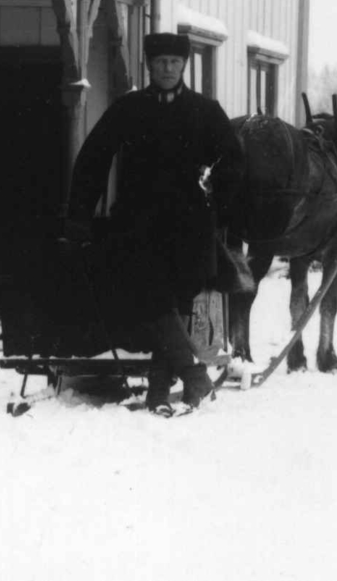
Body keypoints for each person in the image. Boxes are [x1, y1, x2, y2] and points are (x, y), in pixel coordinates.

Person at [65, 31, 244, 414]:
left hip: (189, 226)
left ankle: (159, 393)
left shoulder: (204, 110)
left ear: (184, 66)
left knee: (176, 305)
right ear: (149, 65)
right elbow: (93, 159)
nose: (167, 68)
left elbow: (233, 161)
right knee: (153, 300)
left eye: (174, 62)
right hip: (136, 225)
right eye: (160, 62)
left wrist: (218, 203)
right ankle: (193, 376)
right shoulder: (128, 109)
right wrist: (79, 216)